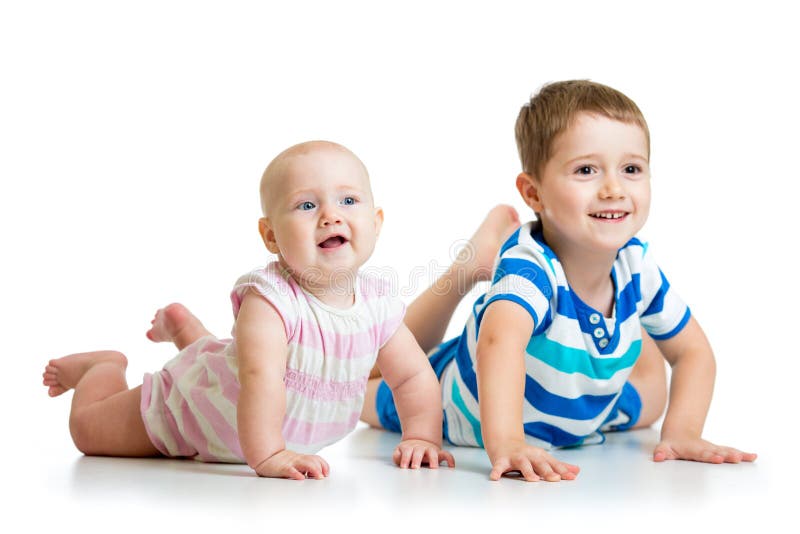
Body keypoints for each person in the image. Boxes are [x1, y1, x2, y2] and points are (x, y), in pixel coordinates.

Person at [363, 80, 757, 482]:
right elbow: (498, 345)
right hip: (462, 403)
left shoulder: (637, 263)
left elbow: (694, 353)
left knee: (654, 399)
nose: (613, 189)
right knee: (365, 374)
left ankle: (610, 338)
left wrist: (683, 433)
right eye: (586, 170)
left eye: (631, 169)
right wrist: (509, 442)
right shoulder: (530, 270)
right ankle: (469, 267)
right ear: (533, 194)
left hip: (577, 411)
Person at [42, 140, 454, 480]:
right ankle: (103, 368)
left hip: (227, 390)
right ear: (270, 235)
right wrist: (270, 453)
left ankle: (189, 333)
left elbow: (413, 376)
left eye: (348, 200)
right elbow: (258, 377)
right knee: (89, 431)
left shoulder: (377, 306)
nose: (331, 216)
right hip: (192, 414)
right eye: (307, 206)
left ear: (376, 222)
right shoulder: (270, 300)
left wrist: (421, 436)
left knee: (225, 362)